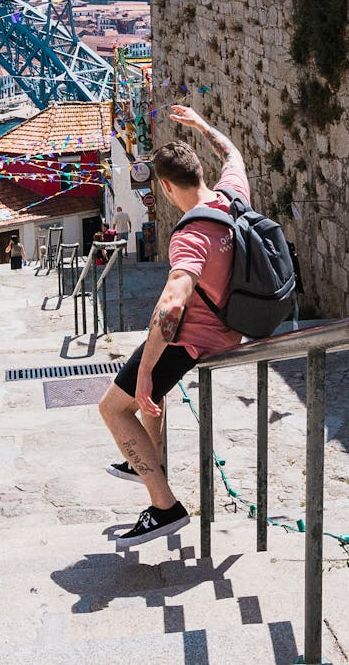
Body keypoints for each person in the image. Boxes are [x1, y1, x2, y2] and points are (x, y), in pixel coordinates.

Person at [98, 104, 250, 547]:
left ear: (164, 187)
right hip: (231, 323)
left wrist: (145, 369)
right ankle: (150, 457)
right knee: (150, 393)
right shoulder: (230, 195)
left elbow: (172, 304)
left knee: (113, 407)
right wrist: (202, 125)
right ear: (200, 171)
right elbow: (234, 154)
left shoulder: (189, 236)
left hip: (197, 338)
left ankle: (164, 506)